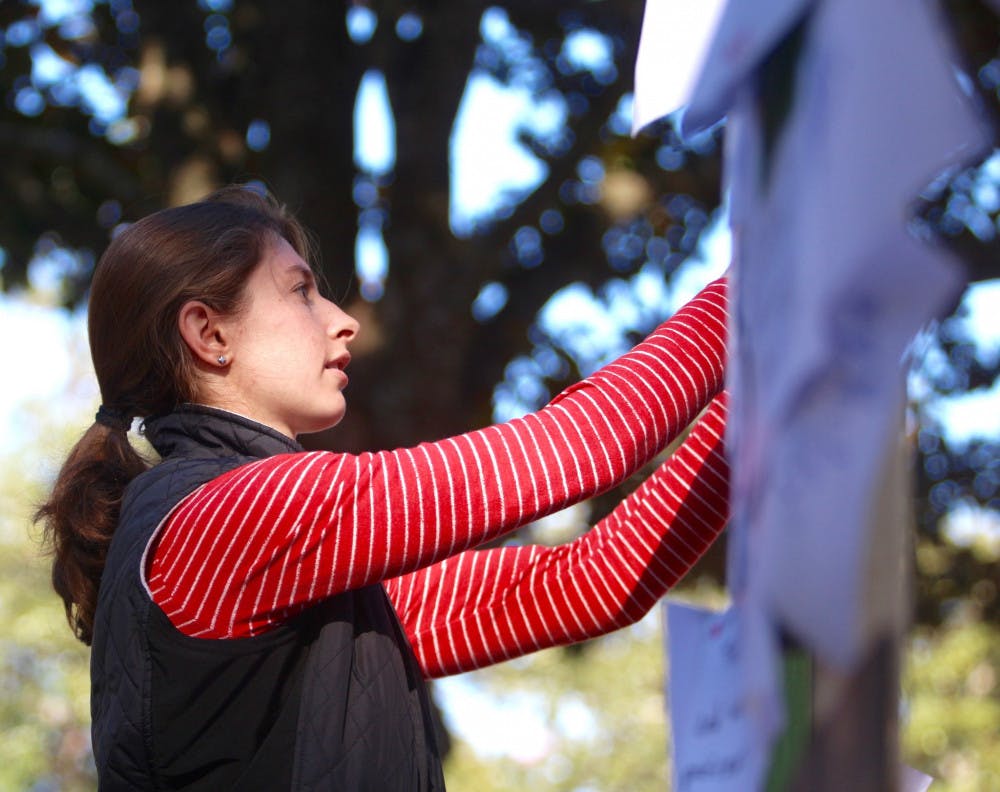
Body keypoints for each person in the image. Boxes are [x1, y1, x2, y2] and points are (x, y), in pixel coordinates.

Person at [37, 185, 729, 791]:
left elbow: (586, 583)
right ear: (209, 332)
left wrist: (776, 395)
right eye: (301, 291)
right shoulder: (226, 519)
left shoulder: (301, 586)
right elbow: (585, 445)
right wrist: (766, 279)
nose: (343, 320)